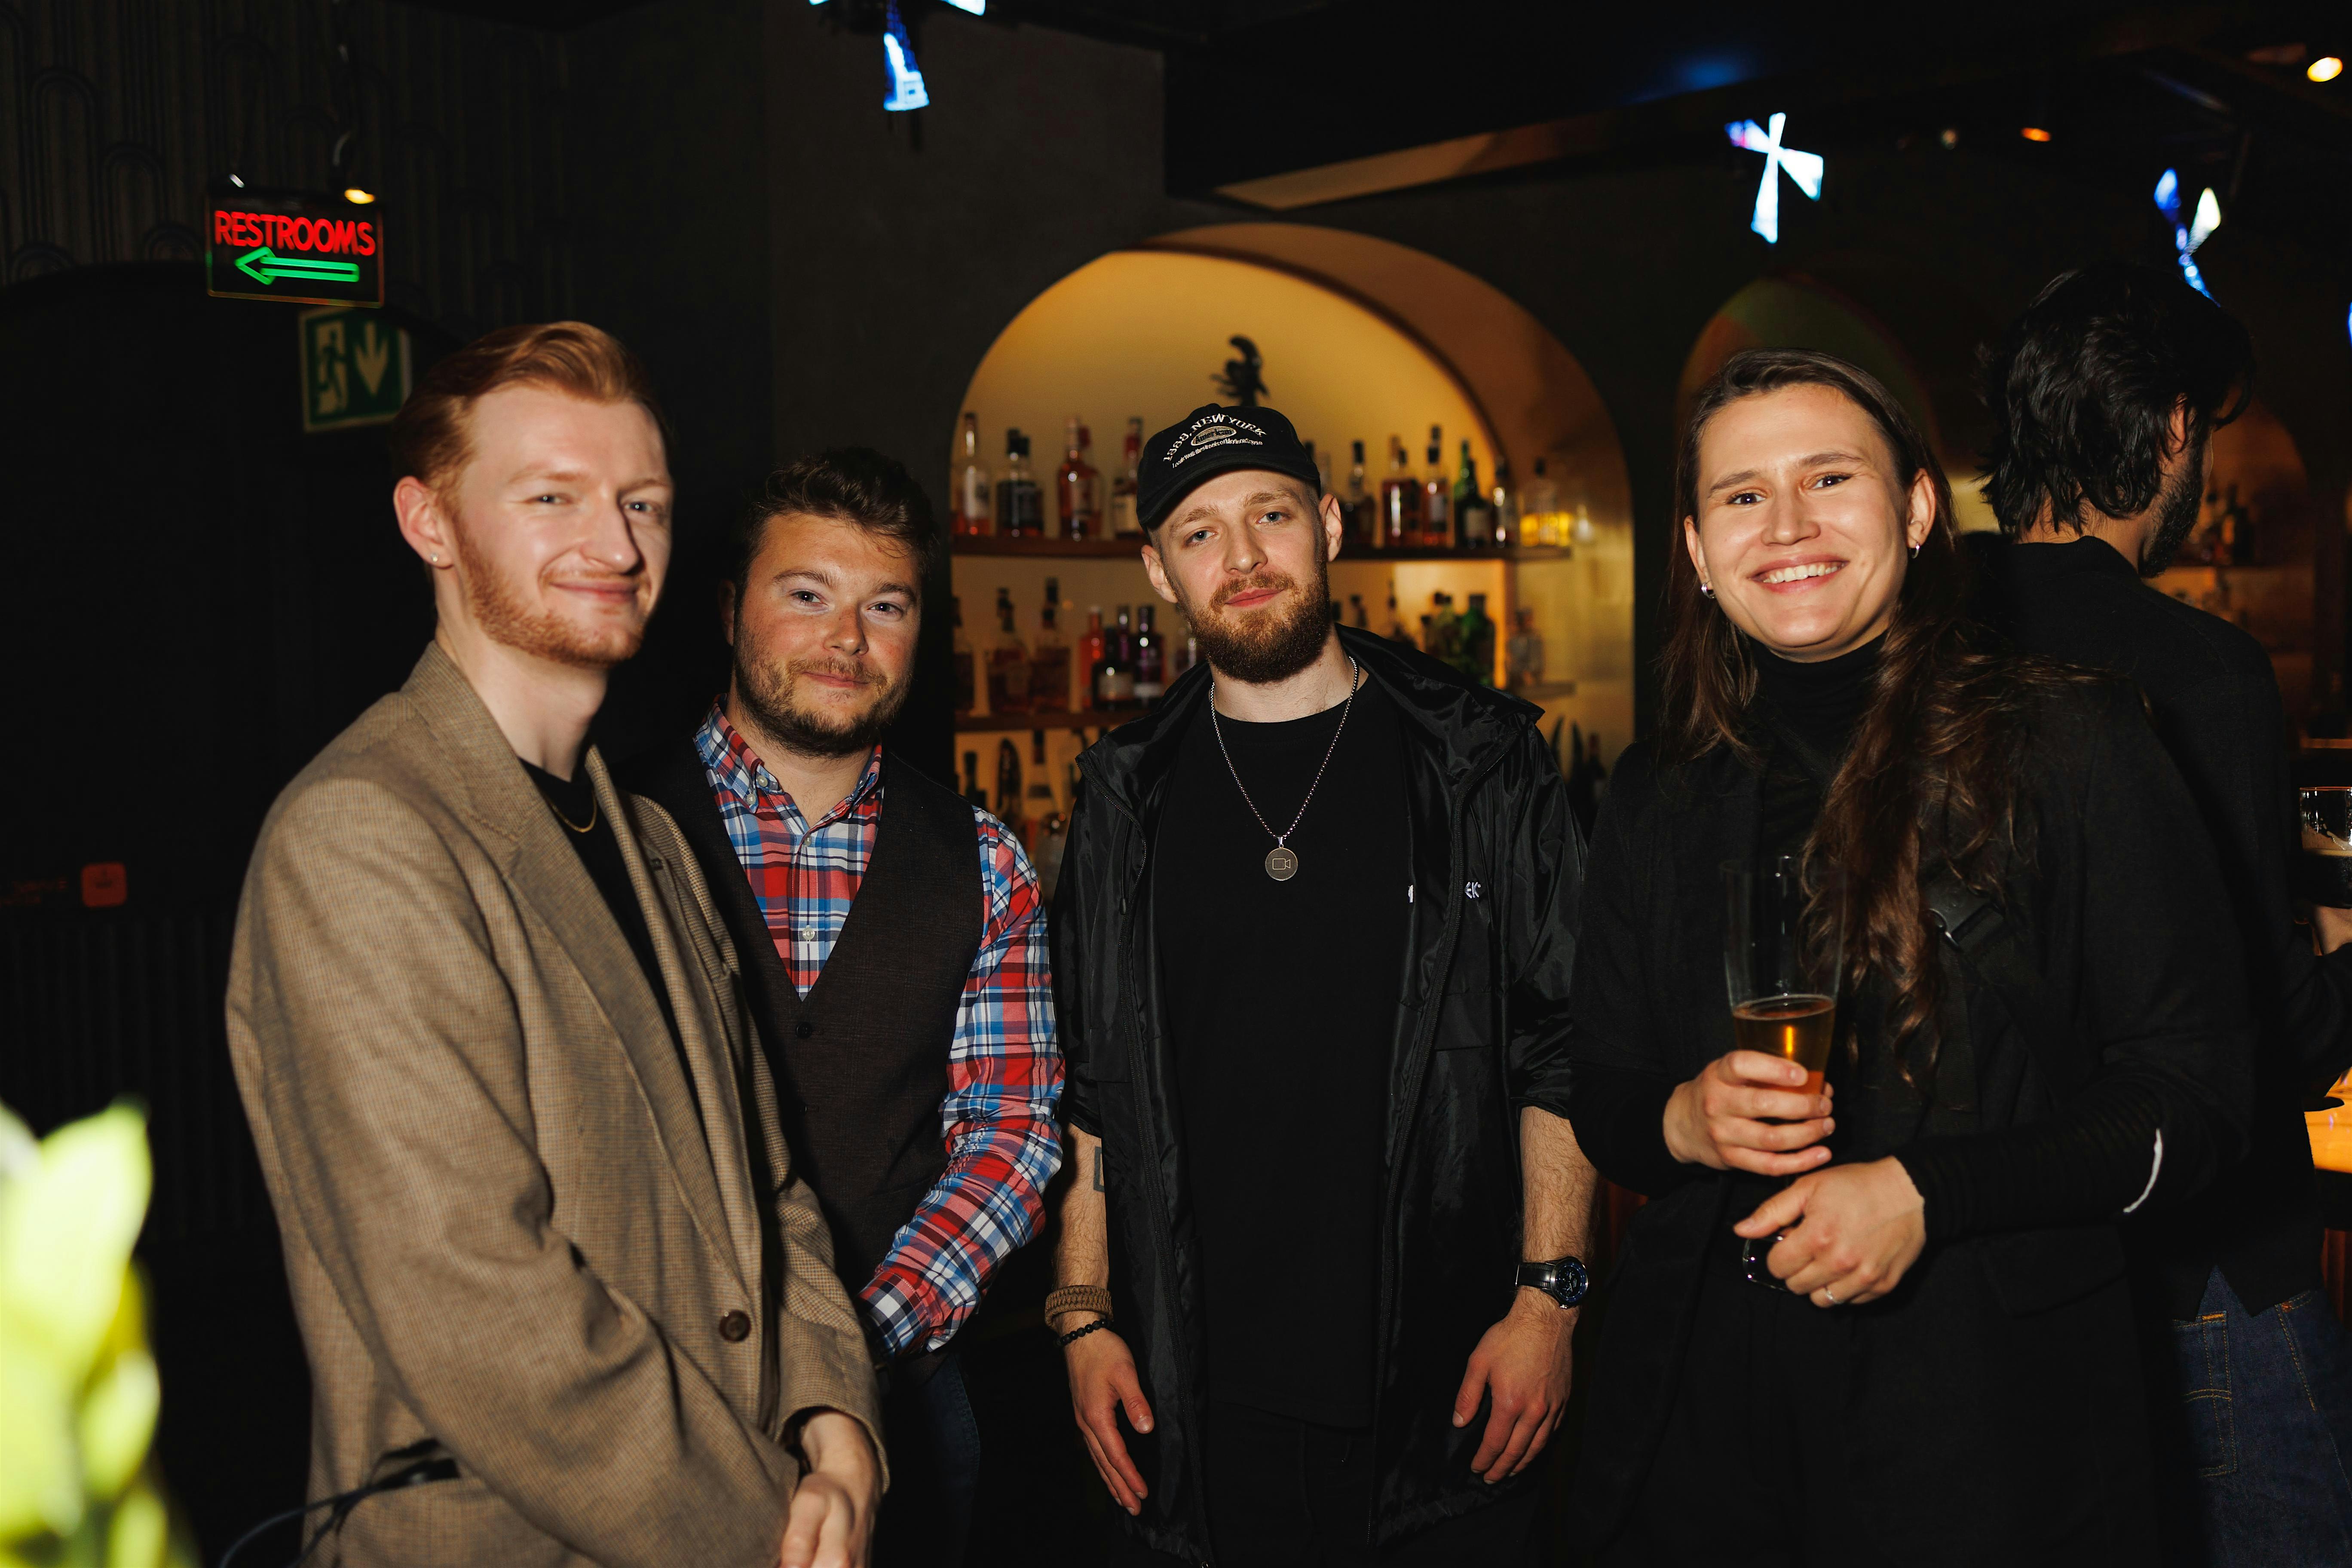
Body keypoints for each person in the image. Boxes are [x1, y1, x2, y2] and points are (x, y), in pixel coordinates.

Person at [1565, 349, 2252, 1564]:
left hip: (1991, 1428)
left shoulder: (2072, 739)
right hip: (1709, 1430)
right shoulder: (1660, 789)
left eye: (1830, 478)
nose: (1787, 524)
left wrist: (1929, 1194)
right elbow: (1606, 1092)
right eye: (1742, 495)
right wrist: (1682, 1120)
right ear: (1697, 550)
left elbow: (2196, 1108)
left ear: (1920, 508)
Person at [224, 323, 881, 1568]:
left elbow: (770, 1191)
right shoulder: (364, 834)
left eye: (644, 502)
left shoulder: (653, 842)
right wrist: (770, 1520)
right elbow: (477, 1306)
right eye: (552, 497)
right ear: (429, 523)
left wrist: (835, 1426)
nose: (618, 545)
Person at [1047, 403, 1595, 1565]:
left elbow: (1559, 1044)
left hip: (1447, 1383)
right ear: (1159, 571)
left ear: (1331, 526)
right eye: (1200, 534)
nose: (1243, 558)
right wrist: (1084, 1314)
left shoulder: (1482, 761)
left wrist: (1549, 1301)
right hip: (1197, 1401)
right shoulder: (1122, 799)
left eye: (1272, 515)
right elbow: (1092, 1083)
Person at [1975, 262, 2352, 1561]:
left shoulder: (1921, 636)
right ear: (2177, 429)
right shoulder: (2203, 669)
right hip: (2208, 1267)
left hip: (1996, 1268)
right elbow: (2274, 1038)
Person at [629, 449, 1063, 1567]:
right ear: (730, 610)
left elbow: (1010, 1134)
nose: (847, 640)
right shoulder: (613, 832)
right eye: (807, 594)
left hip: (905, 1396)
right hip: (648, 1405)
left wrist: (853, 1351)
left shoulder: (984, 861)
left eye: (886, 606)